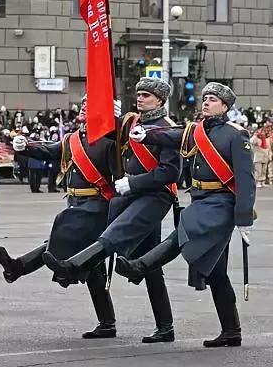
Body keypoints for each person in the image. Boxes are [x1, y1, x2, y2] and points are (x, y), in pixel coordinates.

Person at [117, 83, 256, 347]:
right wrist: (145, 136)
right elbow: (173, 136)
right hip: (202, 199)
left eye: (212, 100)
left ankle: (140, 266)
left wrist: (244, 218)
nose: (206, 103)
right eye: (204, 99)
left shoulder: (236, 135)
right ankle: (231, 331)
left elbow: (246, 179)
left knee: (183, 232)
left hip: (221, 204)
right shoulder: (196, 131)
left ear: (225, 106)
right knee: (216, 272)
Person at [43, 82, 179, 343]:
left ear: (160, 100)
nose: (140, 98)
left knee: (114, 235)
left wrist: (135, 182)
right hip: (129, 196)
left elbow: (170, 172)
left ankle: (73, 265)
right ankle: (164, 327)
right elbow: (106, 136)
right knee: (150, 265)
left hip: (153, 196)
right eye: (138, 94)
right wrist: (104, 112)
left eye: (146, 95)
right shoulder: (130, 122)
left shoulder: (168, 129)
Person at [0, 98, 120, 339]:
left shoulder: (109, 140)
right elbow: (51, 151)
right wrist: (26, 146)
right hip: (76, 202)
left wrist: (118, 123)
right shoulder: (73, 139)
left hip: (97, 206)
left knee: (63, 235)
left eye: (90, 105)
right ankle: (107, 323)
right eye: (82, 105)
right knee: (93, 266)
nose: (84, 108)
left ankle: (19, 267)